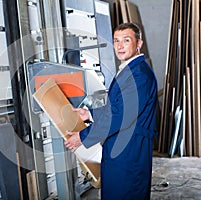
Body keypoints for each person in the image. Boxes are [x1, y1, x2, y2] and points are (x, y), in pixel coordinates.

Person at [64, 22, 158, 199]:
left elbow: (120, 117)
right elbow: (117, 107)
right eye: (116, 41)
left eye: (126, 40)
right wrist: (89, 114)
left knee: (125, 193)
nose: (120, 46)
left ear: (138, 44)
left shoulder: (139, 75)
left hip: (129, 150)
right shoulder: (129, 69)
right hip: (120, 146)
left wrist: (83, 137)